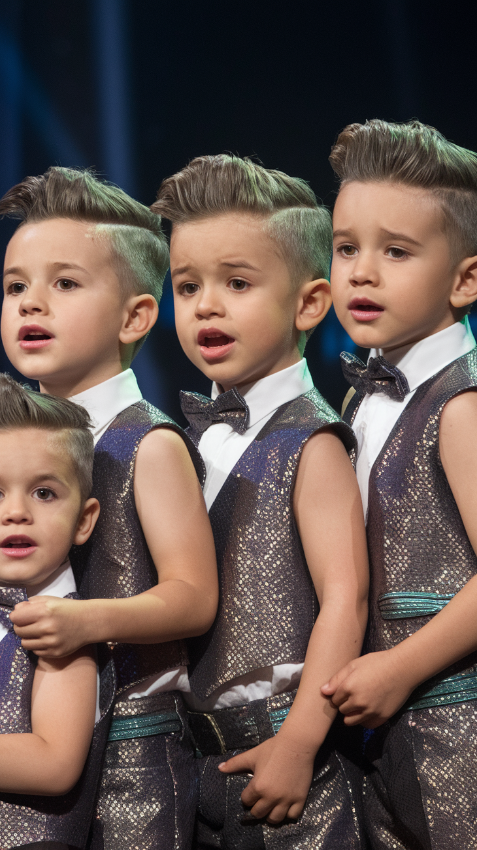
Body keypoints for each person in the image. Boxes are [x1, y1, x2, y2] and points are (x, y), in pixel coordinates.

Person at [152, 154, 369, 849]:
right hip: (199, 765)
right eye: (187, 287)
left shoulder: (312, 440)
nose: (205, 305)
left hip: (289, 756)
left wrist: (300, 744)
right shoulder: (182, 442)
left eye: (236, 283)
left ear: (308, 303)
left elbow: (346, 599)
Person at [0, 167, 218, 850]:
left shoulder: (144, 442)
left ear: (134, 315)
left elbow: (192, 596)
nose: (32, 303)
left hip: (134, 764)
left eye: (64, 284)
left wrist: (85, 621)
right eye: (15, 286)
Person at [323, 119, 477, 849]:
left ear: (465, 278)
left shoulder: (461, 404)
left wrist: (399, 667)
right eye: (346, 247)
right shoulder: (363, 397)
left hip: (457, 727)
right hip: (386, 740)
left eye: (395, 252)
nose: (359, 271)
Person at [0, 373, 115, 850]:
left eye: (43, 493)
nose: (16, 513)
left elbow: (54, 762)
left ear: (84, 520)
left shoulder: (61, 629)